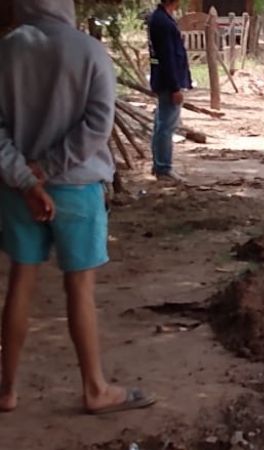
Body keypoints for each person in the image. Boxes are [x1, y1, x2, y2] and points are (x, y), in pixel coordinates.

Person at [0, 0, 156, 414]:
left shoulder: (6, 49)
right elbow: (98, 125)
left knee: (20, 280)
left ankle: (7, 390)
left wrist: (25, 178)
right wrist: (47, 169)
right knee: (80, 287)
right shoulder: (88, 51)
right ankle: (94, 388)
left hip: (19, 192)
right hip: (77, 187)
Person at [148, 0, 192, 183]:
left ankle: (159, 164)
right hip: (168, 82)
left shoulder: (160, 18)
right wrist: (175, 87)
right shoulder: (164, 22)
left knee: (161, 124)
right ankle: (163, 167)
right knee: (166, 126)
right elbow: (167, 57)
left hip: (163, 78)